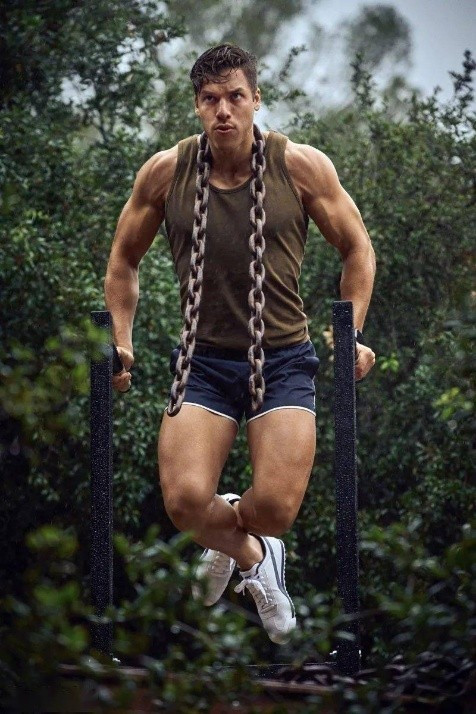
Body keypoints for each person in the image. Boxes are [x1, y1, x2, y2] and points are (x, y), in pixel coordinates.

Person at [104, 44, 376, 645]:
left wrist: (351, 331)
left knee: (275, 509)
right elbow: (123, 259)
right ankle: (254, 556)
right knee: (184, 502)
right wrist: (121, 341)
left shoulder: (299, 166)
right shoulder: (166, 172)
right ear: (197, 106)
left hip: (283, 359)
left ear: (255, 98)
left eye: (234, 97)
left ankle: (245, 541)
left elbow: (357, 247)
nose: (223, 110)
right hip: (202, 363)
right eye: (210, 99)